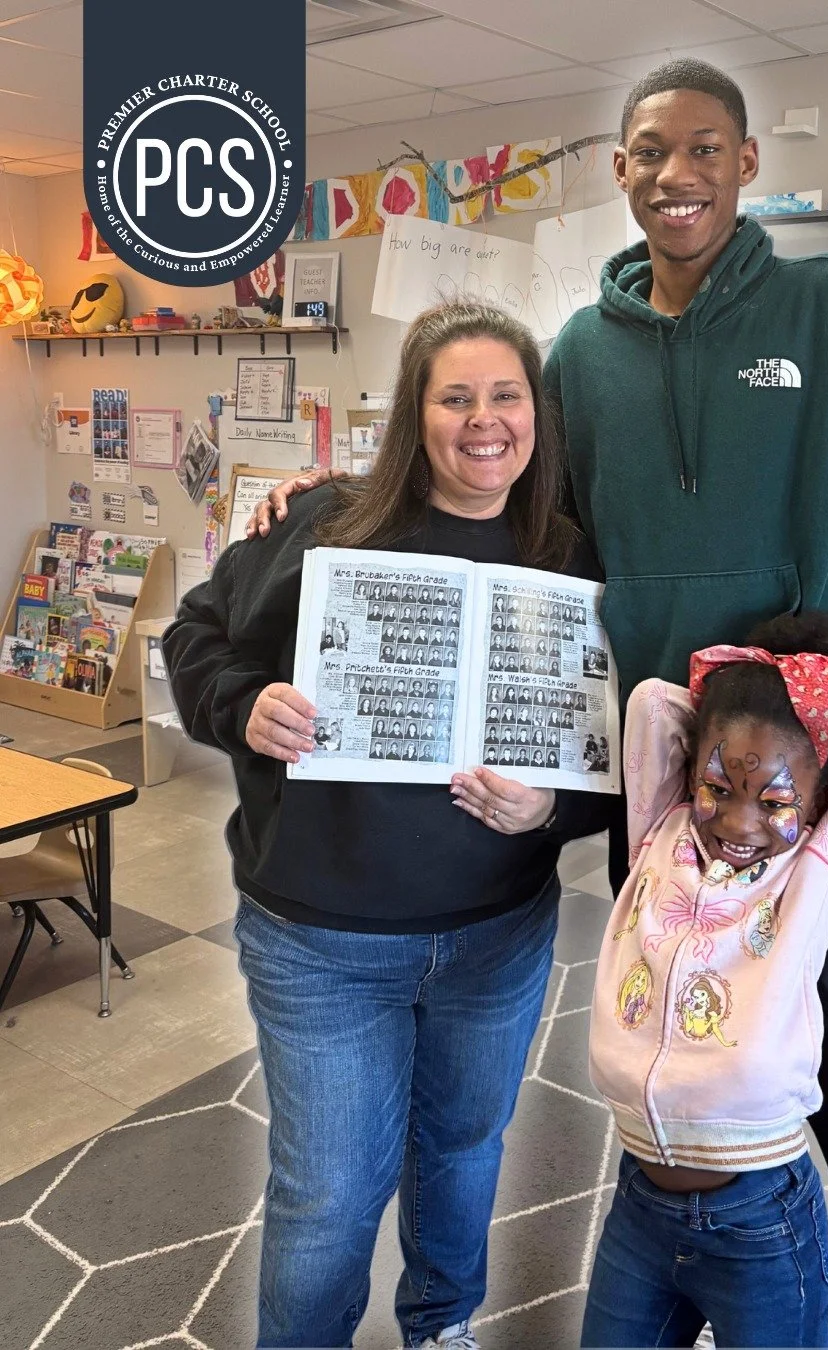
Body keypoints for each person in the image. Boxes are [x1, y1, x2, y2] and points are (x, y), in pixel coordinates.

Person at [246, 60, 828, 1349]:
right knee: (681, 1083)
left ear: (748, 164)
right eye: (650, 152)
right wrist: (312, 503)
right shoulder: (580, 353)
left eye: (705, 148)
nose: (676, 175)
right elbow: (514, 510)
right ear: (621, 171)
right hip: (655, 795)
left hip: (808, 792)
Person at [166, 301, 612, 1350]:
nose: (483, 420)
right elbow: (196, 636)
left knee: (463, 1152)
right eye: (454, 396)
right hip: (325, 943)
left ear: (536, 416)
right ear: (416, 413)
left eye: (506, 396)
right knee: (329, 1194)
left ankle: (442, 1327)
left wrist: (554, 806)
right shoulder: (324, 525)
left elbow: (603, 750)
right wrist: (244, 706)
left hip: (498, 935)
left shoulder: (568, 556)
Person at [584, 612, 828, 1349]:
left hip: (760, 1220)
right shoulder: (662, 829)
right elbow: (652, 702)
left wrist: (827, 742)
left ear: (817, 795)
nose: (739, 821)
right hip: (640, 1203)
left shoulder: (818, 870)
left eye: (774, 800)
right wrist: (736, 694)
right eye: (720, 786)